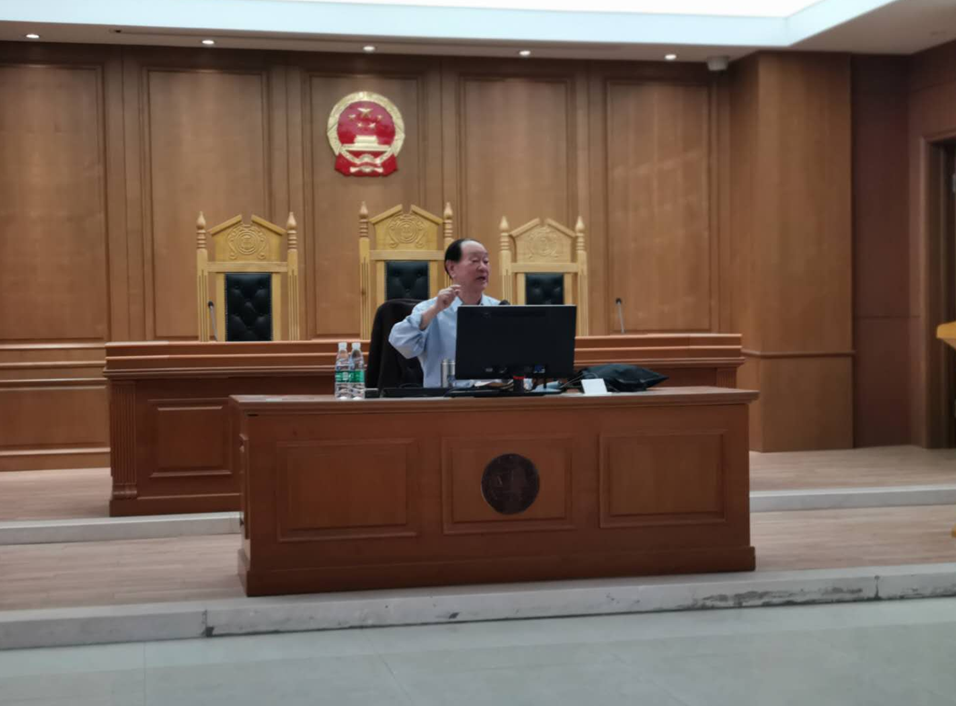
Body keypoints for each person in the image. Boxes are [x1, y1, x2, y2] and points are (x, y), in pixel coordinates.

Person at [389, 238, 500, 387]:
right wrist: (435, 310)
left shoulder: (500, 309)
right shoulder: (429, 309)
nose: (483, 267)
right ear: (452, 268)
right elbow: (402, 344)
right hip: (445, 398)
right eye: (474, 261)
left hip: (494, 398)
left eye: (486, 261)